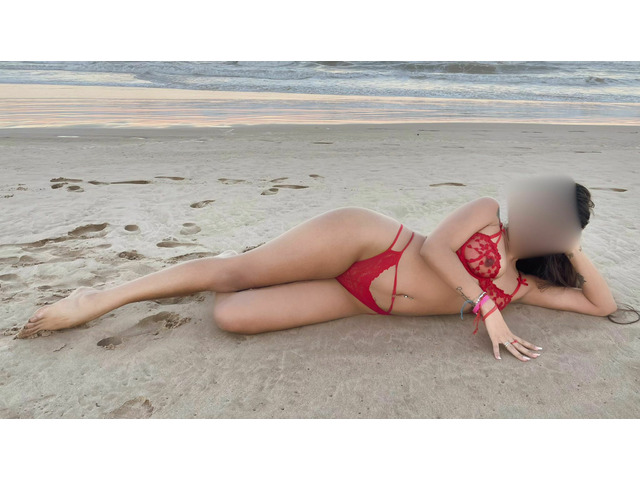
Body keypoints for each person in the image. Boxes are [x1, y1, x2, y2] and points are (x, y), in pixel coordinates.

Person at [19, 177, 633, 362]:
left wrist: (574, 249)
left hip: (357, 299)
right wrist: (486, 310)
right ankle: (97, 299)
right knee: (235, 274)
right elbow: (435, 251)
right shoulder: (486, 215)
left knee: (233, 316)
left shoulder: (524, 285)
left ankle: (264, 267)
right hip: (368, 245)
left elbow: (600, 306)